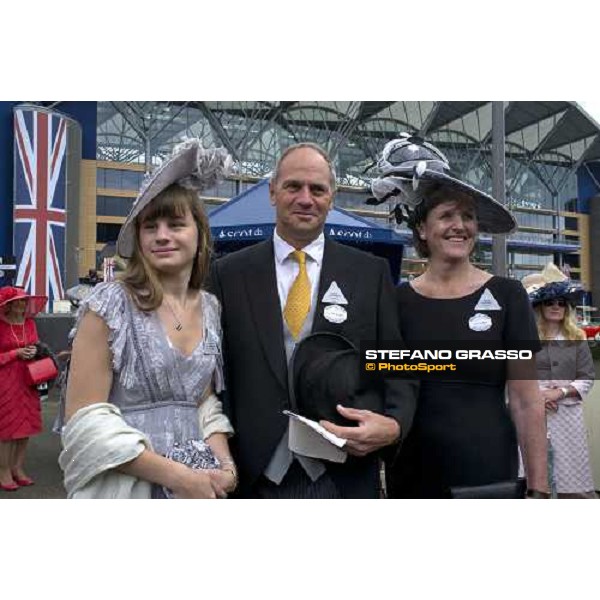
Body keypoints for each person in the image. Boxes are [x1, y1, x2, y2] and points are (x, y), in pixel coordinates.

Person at [210, 142, 419, 498]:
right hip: (254, 475)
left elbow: (395, 362)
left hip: (344, 472)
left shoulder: (370, 274)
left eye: (317, 189)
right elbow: (216, 374)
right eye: (293, 186)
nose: (306, 198)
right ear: (272, 192)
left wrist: (395, 424)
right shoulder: (228, 274)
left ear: (331, 198)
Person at [369, 134, 549, 498]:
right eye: (446, 215)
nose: (460, 225)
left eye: (467, 216)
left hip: (487, 473)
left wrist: (539, 489)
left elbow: (527, 401)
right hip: (411, 469)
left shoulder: (507, 295)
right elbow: (384, 388)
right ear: (422, 228)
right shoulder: (395, 300)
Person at [59, 139, 237, 499]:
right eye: (150, 226)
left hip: (195, 490)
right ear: (138, 238)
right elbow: (85, 421)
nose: (163, 236)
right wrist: (179, 477)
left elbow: (202, 402)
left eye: (175, 224)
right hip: (125, 488)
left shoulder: (210, 307)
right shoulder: (109, 303)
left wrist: (225, 466)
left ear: (199, 234)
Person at [523, 263, 597, 498]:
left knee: (571, 483)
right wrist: (537, 398)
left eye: (561, 303)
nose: (556, 307)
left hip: (566, 416)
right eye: (550, 302)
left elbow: (586, 378)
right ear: (539, 306)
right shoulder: (524, 338)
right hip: (531, 414)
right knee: (533, 478)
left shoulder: (577, 337)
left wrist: (561, 392)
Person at [0, 286, 47, 491]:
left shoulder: (30, 323)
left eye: (23, 301)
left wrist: (32, 351)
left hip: (29, 378)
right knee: (7, 428)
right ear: (7, 305)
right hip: (6, 380)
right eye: (17, 302)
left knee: (25, 426)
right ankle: (4, 471)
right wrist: (15, 353)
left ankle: (17, 469)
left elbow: (36, 344)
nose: (21, 305)